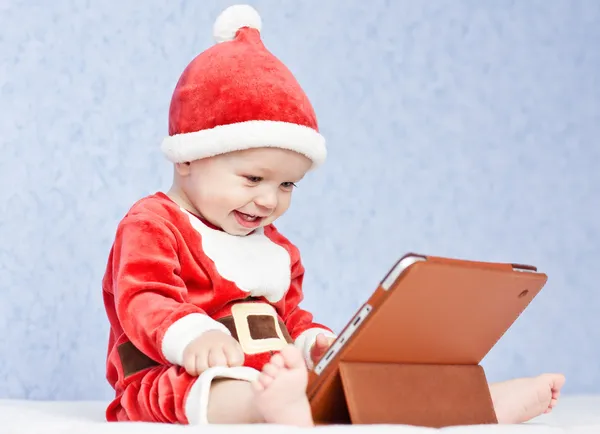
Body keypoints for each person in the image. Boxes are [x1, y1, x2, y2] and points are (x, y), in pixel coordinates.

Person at [101, 4, 565, 427]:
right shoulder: (153, 223)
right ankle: (265, 409)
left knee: (352, 386)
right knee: (206, 392)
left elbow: (289, 317)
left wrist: (316, 343)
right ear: (188, 159)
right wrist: (194, 337)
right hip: (172, 371)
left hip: (275, 375)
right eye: (252, 179)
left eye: (286, 185)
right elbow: (144, 297)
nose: (268, 201)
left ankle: (479, 404)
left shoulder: (275, 248)